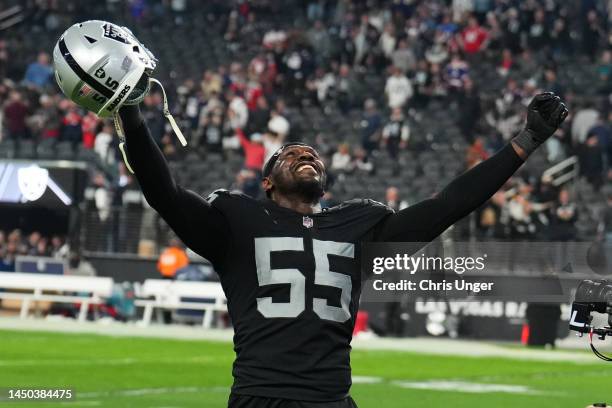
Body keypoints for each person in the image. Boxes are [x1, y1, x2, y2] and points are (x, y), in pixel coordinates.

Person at [117, 91, 567, 407]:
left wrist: (525, 141)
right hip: (261, 395)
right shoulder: (237, 220)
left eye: (313, 155)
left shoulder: (359, 225)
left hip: (330, 397)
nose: (306, 156)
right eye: (291, 154)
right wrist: (133, 116)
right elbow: (165, 192)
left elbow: (447, 205)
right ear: (267, 181)